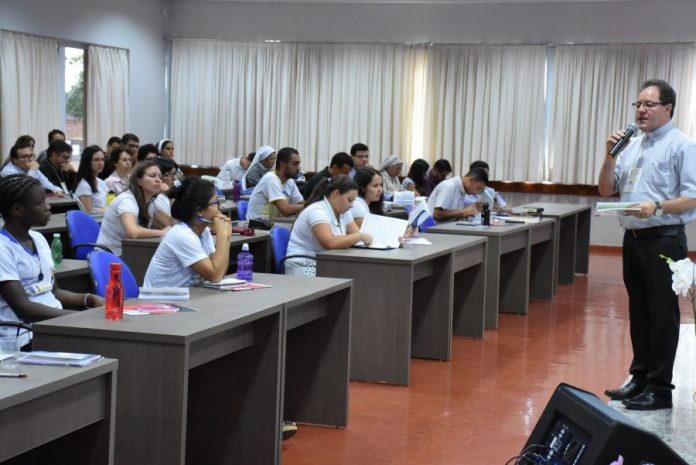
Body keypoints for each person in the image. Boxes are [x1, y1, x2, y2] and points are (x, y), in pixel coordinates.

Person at [598, 79, 696, 411]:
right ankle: (639, 378)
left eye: (648, 104)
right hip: (634, 239)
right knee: (639, 312)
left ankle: (660, 388)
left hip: (664, 239)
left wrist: (656, 207)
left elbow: (692, 197)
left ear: (668, 108)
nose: (641, 110)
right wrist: (609, 156)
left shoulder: (683, 145)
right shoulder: (632, 145)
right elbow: (605, 189)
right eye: (637, 104)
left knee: (662, 314)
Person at [0, 175, 103, 346]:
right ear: (18, 210)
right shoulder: (3, 248)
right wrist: (80, 317)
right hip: (23, 336)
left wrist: (88, 298)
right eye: (41, 202)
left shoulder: (38, 238)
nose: (48, 207)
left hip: (54, 326)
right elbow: (24, 309)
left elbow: (54, 292)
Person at [143, 177, 231, 288]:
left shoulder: (204, 232)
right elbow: (215, 276)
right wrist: (222, 235)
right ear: (199, 210)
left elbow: (220, 271)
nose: (220, 209)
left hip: (183, 295)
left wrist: (226, 236)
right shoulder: (182, 235)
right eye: (216, 203)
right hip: (160, 297)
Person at [284, 175, 372, 277]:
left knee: (358, 275)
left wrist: (359, 237)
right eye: (349, 200)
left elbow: (356, 237)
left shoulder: (344, 212)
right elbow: (330, 242)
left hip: (324, 262)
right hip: (303, 264)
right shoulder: (317, 211)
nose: (351, 205)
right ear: (336, 194)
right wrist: (359, 236)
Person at [96, 161, 172, 256]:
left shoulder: (151, 202)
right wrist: (162, 232)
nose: (158, 180)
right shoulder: (127, 200)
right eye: (152, 176)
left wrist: (171, 195)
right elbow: (132, 232)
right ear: (138, 181)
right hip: (111, 255)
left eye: (160, 177)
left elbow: (171, 223)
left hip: (132, 252)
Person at [246, 147, 305, 219]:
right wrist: (308, 206)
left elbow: (300, 203)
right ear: (282, 164)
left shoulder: (289, 181)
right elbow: (285, 210)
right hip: (257, 224)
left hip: (274, 222)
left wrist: (309, 206)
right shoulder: (271, 179)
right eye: (295, 164)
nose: (299, 168)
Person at [73, 145, 109, 213]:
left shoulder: (102, 182)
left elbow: (108, 204)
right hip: (96, 219)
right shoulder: (84, 185)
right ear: (87, 162)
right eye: (96, 160)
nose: (101, 163)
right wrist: (104, 210)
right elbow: (88, 213)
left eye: (102, 160)